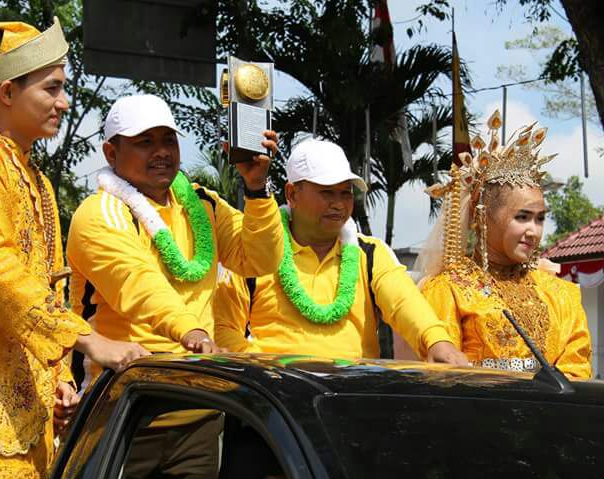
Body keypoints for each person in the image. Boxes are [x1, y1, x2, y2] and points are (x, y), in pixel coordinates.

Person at [0, 19, 147, 478]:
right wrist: (91, 341)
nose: (65, 102)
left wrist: (60, 381)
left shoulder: (36, 180)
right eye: (52, 88)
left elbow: (47, 287)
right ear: (7, 92)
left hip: (30, 420)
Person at [66, 94, 285, 477]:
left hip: (198, 413)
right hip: (122, 414)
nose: (162, 152)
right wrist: (192, 331)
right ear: (111, 152)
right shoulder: (99, 213)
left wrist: (256, 188)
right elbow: (137, 283)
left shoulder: (204, 205)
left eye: (168, 140)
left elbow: (260, 260)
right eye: (145, 142)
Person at [213, 139, 467, 365]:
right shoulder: (257, 252)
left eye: (345, 193)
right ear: (292, 193)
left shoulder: (370, 253)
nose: (338, 204)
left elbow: (404, 303)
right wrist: (262, 370)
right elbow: (224, 328)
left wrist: (437, 341)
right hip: (273, 400)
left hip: (350, 398)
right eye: (326, 192)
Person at [416, 111, 592, 378]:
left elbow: (577, 370)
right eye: (522, 217)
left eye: (540, 219)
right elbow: (442, 376)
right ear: (483, 218)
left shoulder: (560, 294)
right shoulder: (449, 288)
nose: (533, 231)